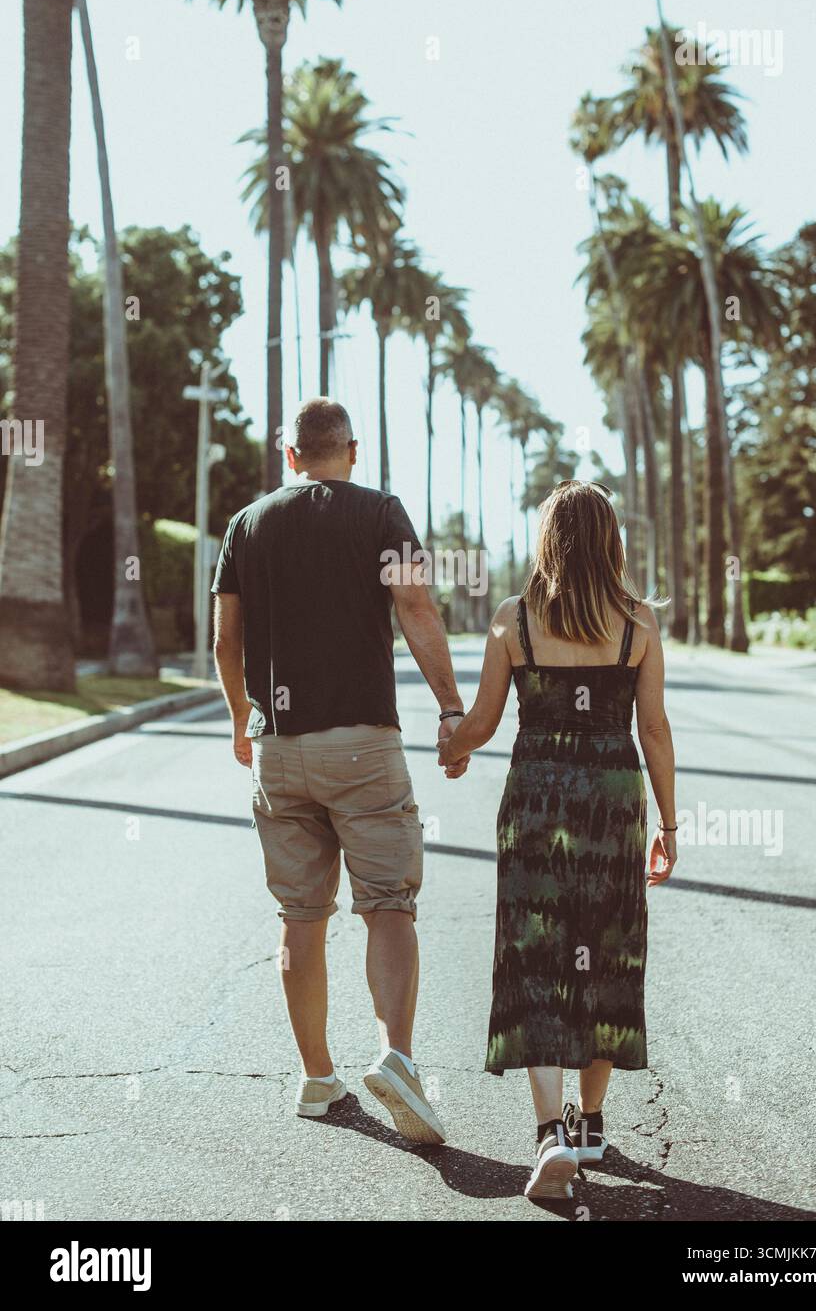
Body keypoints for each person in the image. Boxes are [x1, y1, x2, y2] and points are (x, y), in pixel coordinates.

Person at [211, 399, 468, 1146]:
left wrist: (241, 719)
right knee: (387, 904)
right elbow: (415, 606)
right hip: (361, 744)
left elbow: (227, 641)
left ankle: (317, 1077)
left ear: (289, 455)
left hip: (279, 748)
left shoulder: (245, 525)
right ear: (349, 451)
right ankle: (395, 1057)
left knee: (301, 917)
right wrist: (450, 708)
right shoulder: (382, 512)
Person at [438, 480, 677, 1200]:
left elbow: (481, 722)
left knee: (537, 952)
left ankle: (549, 1136)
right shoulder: (637, 623)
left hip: (538, 797)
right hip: (612, 796)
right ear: (611, 542)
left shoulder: (515, 619)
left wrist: (453, 743)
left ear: (548, 541)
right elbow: (654, 731)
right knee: (606, 950)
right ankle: (592, 1125)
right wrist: (668, 824)